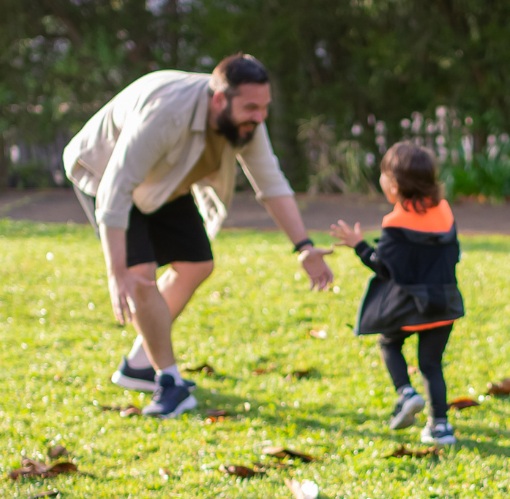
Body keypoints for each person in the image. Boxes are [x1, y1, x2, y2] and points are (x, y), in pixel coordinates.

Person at [63, 54, 336, 419]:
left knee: (197, 265)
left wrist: (303, 247)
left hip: (165, 184)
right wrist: (117, 271)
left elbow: (270, 182)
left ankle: (139, 364)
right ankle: (170, 382)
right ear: (219, 99)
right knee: (140, 277)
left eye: (265, 107)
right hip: (106, 175)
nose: (260, 117)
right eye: (252, 107)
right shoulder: (168, 112)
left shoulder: (246, 122)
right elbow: (116, 188)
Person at [329, 141, 466, 445]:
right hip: (445, 303)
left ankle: (406, 393)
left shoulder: (395, 223)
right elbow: (453, 254)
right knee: (431, 364)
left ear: (393, 184)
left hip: (410, 307)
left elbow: (384, 268)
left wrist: (359, 245)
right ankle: (440, 427)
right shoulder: (444, 212)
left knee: (388, 343)